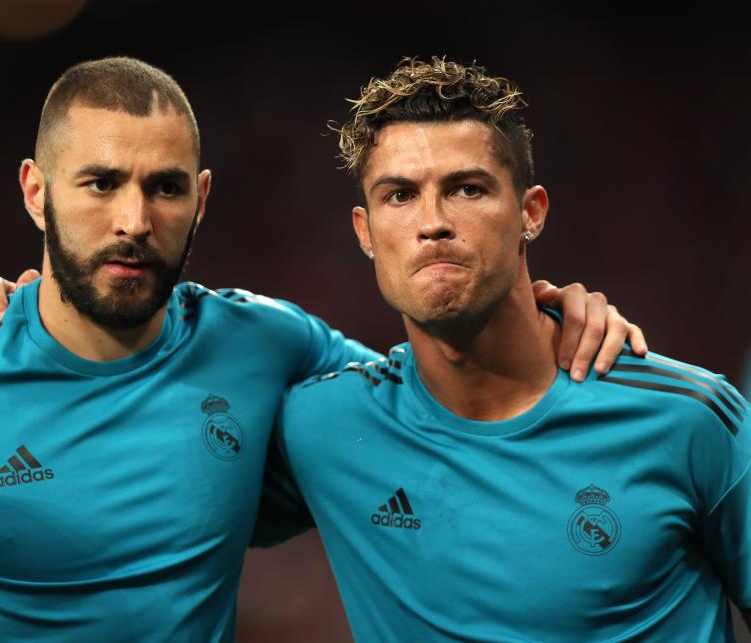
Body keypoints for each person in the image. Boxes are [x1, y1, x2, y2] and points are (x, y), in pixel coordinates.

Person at [0, 56, 643, 641]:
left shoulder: (268, 347)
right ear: (35, 191)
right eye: (99, 183)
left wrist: (557, 310)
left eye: (163, 187)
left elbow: (435, 387)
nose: (133, 218)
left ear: (200, 200)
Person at [258, 57, 751, 640]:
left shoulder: (690, 417)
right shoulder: (323, 427)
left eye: (468, 189)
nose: (433, 222)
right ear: (366, 232)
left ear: (530, 212)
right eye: (400, 196)